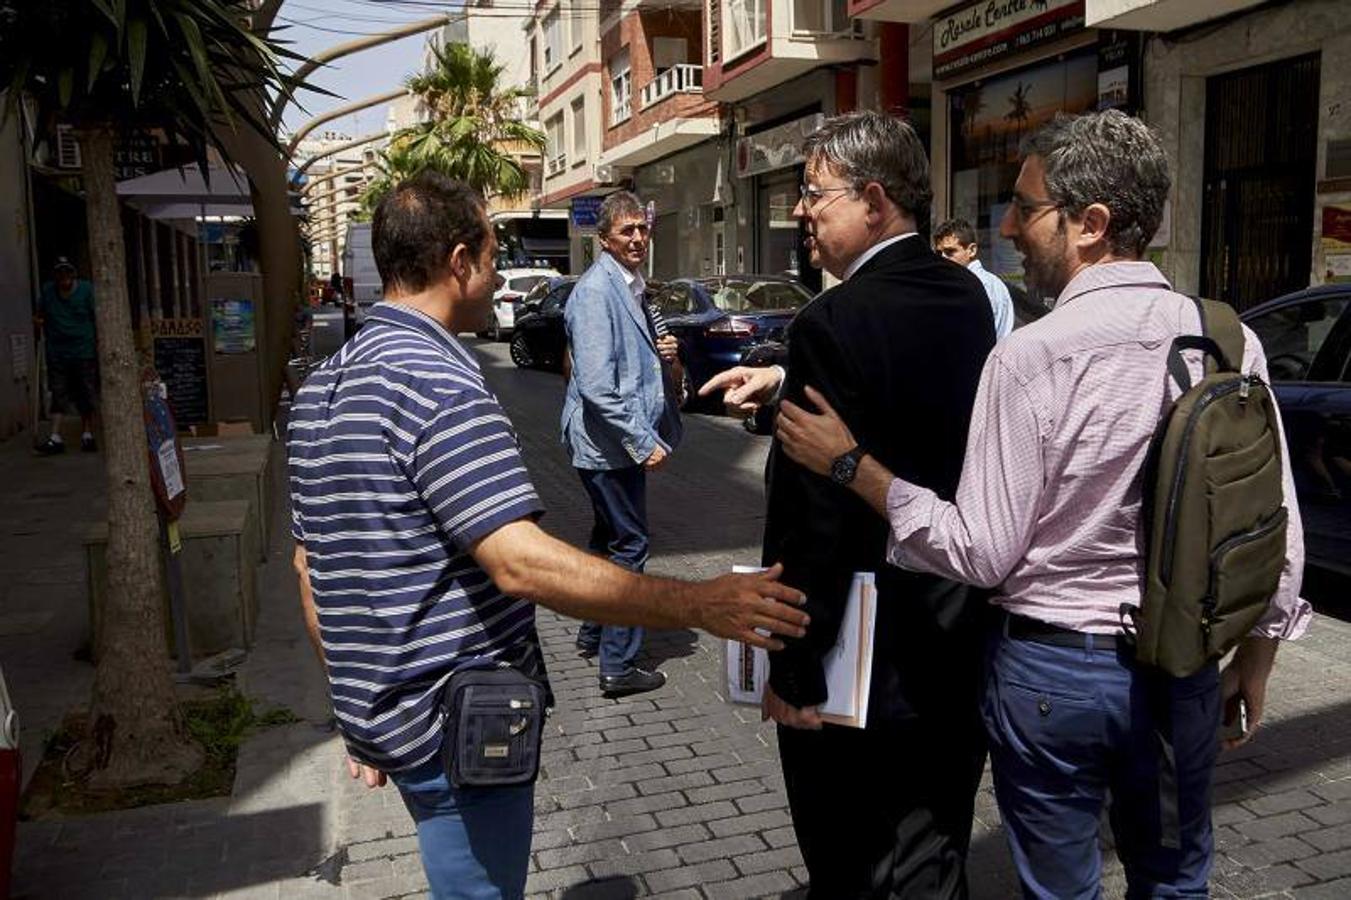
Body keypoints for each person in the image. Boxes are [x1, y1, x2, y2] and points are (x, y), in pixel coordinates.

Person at [773, 110, 1311, 898]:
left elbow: (982, 552)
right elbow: (1273, 522)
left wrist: (857, 469)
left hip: (1054, 675)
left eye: (1026, 210)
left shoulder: (1031, 354)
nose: (1009, 229)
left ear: (1089, 224)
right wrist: (1257, 655)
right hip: (1186, 661)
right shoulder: (1222, 336)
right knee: (1174, 878)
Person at [287, 172, 809, 900]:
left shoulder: (324, 383)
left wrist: (359, 707)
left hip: (394, 719)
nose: (498, 272)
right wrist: (701, 604)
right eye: (494, 254)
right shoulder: (439, 379)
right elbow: (521, 564)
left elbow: (312, 566)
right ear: (460, 260)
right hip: (454, 726)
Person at [719, 111, 998, 899]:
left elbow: (816, 523)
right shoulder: (968, 299)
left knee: (853, 863)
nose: (800, 211)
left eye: (815, 194)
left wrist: (792, 667)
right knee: (934, 839)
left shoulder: (832, 319)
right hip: (953, 633)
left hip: (860, 660)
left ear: (873, 201)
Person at [561, 191, 683, 698]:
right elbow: (595, 385)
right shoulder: (595, 292)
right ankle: (618, 665)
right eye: (626, 230)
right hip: (607, 444)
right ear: (604, 237)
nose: (637, 238)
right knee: (630, 544)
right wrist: (640, 441)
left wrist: (666, 356)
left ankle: (593, 632)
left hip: (615, 441)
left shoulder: (632, 287)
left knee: (605, 539)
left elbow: (636, 364)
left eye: (642, 228)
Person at [34, 257, 98, 454]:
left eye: (67, 273)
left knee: (85, 392)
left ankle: (88, 434)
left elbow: (96, 316)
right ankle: (55, 437)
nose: (64, 278)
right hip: (58, 352)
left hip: (83, 350)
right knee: (58, 392)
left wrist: (98, 341)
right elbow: (39, 314)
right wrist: (38, 322)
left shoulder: (87, 291)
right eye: (60, 274)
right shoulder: (48, 292)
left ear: (73, 274)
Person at [934, 218, 1015, 340]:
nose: (943, 258)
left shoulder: (976, 286)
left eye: (950, 252)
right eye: (939, 253)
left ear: (971, 250)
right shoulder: (992, 283)